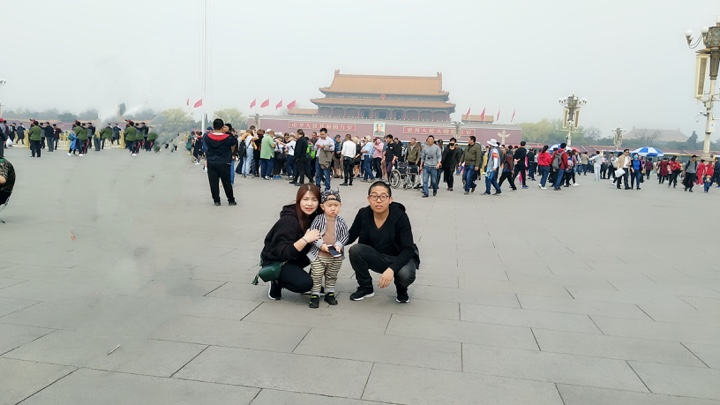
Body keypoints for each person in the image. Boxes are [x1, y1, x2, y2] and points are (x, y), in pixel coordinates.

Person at [347, 181, 419, 303]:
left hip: (400, 258)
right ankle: (366, 287)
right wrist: (331, 242)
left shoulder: (400, 216)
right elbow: (350, 236)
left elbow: (408, 249)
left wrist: (391, 269)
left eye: (383, 196)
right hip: (378, 257)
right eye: (374, 196)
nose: (378, 200)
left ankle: (401, 289)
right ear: (369, 199)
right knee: (355, 250)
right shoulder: (363, 214)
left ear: (390, 199)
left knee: (406, 274)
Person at [263, 184, 322, 300]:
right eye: (305, 199)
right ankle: (276, 279)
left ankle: (312, 280)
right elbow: (282, 253)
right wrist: (305, 239)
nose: (309, 204)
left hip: (296, 257)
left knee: (325, 254)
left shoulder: (315, 217)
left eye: (314, 200)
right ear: (298, 200)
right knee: (304, 284)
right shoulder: (289, 220)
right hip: (277, 260)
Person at [306, 189, 349, 308]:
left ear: (340, 206)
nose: (333, 208)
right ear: (322, 206)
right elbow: (313, 234)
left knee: (332, 275)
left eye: (336, 205)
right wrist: (321, 245)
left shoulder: (341, 221)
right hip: (319, 255)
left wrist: (339, 245)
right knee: (316, 275)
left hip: (335, 256)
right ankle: (315, 294)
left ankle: (330, 292)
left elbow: (345, 235)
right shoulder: (318, 219)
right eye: (329, 205)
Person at [205, 118, 237, 206]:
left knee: (213, 182)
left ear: (213, 126)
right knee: (226, 182)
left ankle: (216, 200)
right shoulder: (228, 138)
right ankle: (231, 200)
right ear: (223, 127)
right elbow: (234, 141)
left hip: (212, 161)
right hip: (224, 162)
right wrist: (228, 132)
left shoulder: (207, 137)